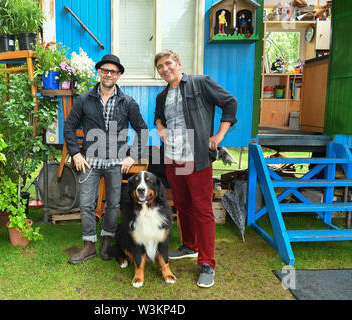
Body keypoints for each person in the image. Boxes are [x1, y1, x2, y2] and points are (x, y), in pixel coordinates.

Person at [153, 50, 237, 288]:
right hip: (172, 159)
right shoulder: (162, 95)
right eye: (160, 66)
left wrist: (219, 134)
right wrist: (160, 128)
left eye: (168, 63)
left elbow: (230, 102)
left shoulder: (200, 83)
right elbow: (158, 117)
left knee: (202, 210)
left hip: (197, 157)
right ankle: (189, 245)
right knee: (183, 205)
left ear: (179, 63)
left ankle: (207, 263)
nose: (165, 68)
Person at [64, 54, 148, 264]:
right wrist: (75, 153)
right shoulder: (84, 99)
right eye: (105, 70)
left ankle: (107, 242)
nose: (109, 74)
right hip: (90, 161)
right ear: (99, 72)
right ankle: (89, 245)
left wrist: (132, 156)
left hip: (116, 163)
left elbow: (142, 130)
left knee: (112, 204)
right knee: (85, 204)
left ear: (118, 75)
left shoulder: (127, 102)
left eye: (114, 71)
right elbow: (69, 126)